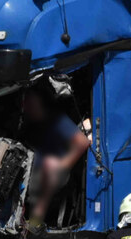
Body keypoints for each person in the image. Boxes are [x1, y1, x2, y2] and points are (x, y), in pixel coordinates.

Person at [18, 84, 90, 227]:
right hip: (31, 171)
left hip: (57, 173)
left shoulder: (56, 120)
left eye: (31, 101)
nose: (27, 105)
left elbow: (82, 142)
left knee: (49, 165)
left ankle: (36, 219)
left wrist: (63, 164)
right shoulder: (28, 125)